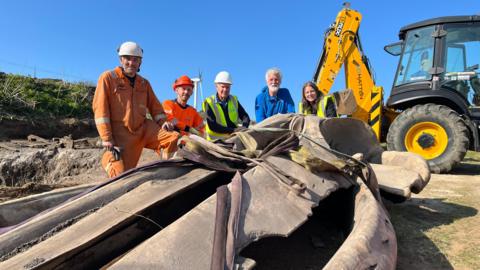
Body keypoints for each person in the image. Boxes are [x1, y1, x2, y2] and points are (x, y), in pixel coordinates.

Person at [92, 41, 179, 178]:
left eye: (135, 60)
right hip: (120, 136)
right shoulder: (108, 78)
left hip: (143, 130)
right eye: (127, 59)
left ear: (140, 63)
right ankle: (108, 158)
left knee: (172, 138)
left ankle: (168, 174)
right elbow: (100, 111)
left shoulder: (144, 83)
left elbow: (155, 108)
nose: (131, 63)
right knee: (121, 176)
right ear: (121, 59)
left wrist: (163, 123)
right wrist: (107, 138)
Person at [202, 71, 250, 141]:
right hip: (215, 142)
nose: (225, 90)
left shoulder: (234, 100)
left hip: (232, 139)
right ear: (216, 86)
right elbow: (213, 126)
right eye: (223, 87)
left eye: (227, 87)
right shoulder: (209, 102)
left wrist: (244, 127)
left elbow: (245, 117)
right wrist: (234, 130)